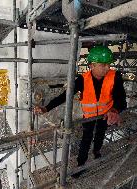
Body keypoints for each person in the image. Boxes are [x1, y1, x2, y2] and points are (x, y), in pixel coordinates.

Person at [34, 45, 127, 178]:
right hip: (88, 117)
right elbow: (65, 96)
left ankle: (97, 152)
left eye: (108, 64)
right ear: (92, 66)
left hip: (105, 115)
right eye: (103, 65)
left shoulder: (115, 76)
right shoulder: (83, 80)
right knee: (86, 139)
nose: (108, 68)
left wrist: (114, 110)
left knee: (100, 135)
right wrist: (46, 108)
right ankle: (81, 164)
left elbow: (121, 99)